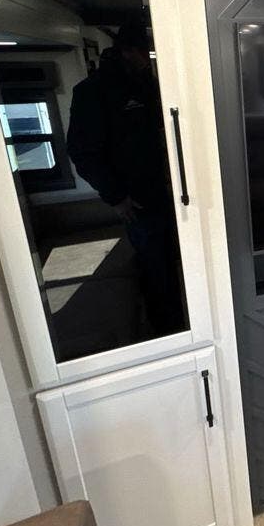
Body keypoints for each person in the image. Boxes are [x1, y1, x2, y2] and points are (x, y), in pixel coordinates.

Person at [66, 24, 183, 336]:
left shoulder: (145, 83)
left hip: (166, 188)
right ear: (127, 51)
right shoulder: (92, 91)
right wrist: (116, 196)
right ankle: (167, 332)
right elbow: (82, 153)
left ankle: (181, 319)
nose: (147, 58)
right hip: (135, 196)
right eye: (144, 51)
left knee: (172, 258)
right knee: (154, 264)